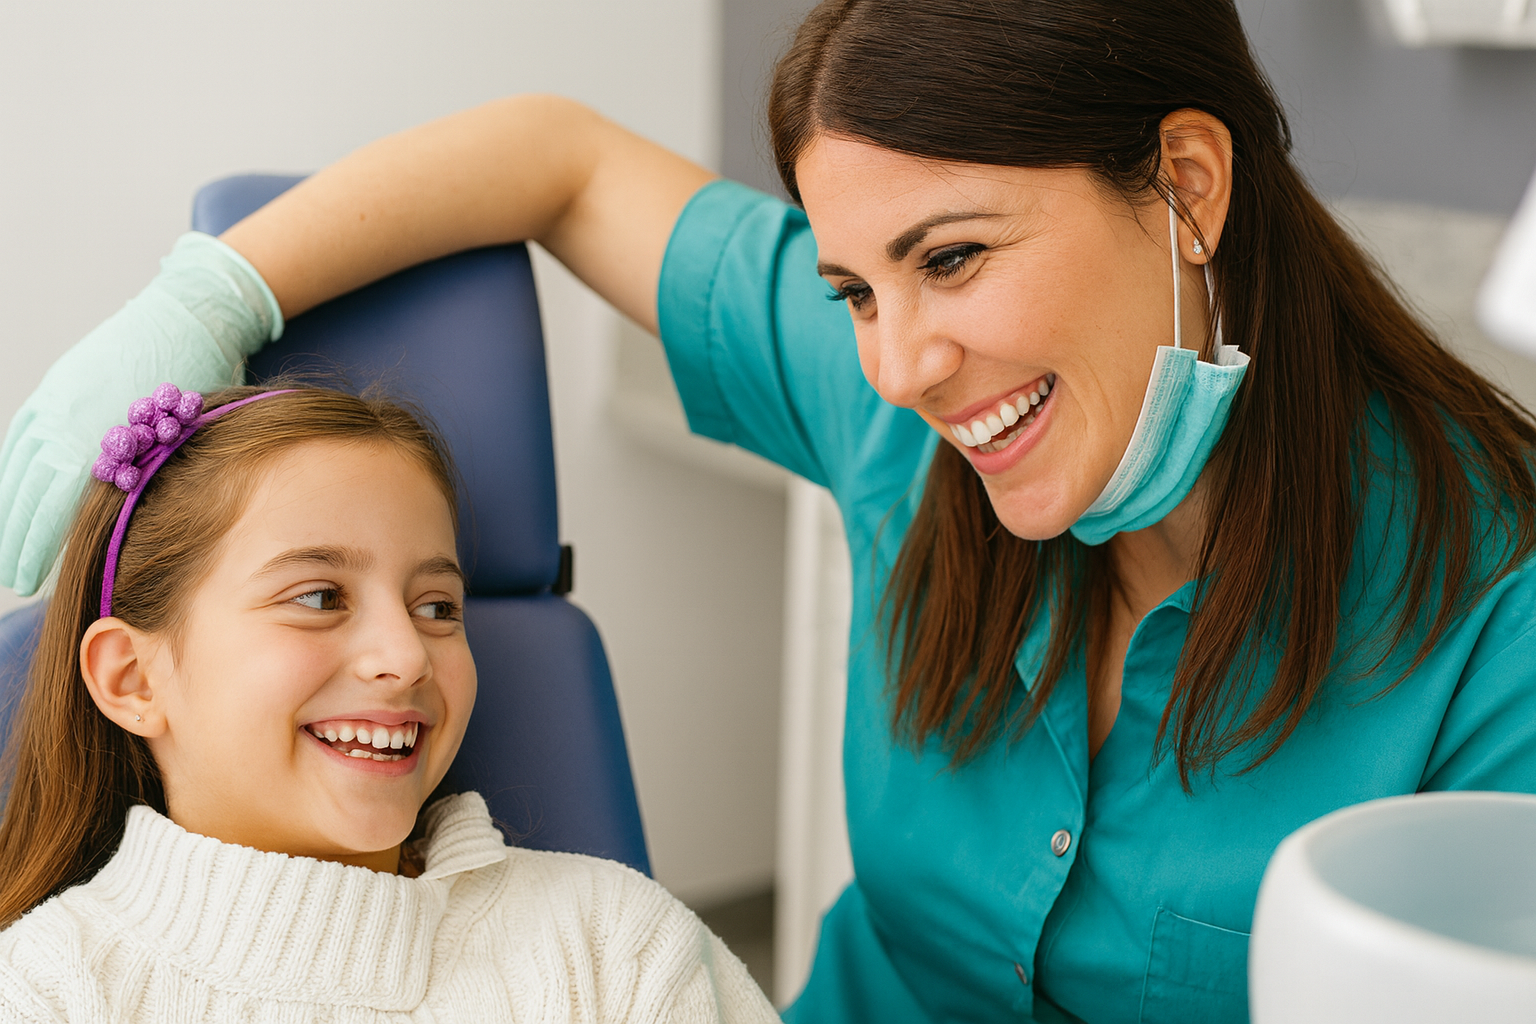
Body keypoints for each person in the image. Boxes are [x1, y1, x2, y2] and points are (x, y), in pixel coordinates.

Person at [4, 1, 1536, 1021]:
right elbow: (556, 158)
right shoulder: (913, 406)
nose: (904, 363)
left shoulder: (1493, 618)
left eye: (952, 259)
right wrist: (213, 296)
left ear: (1188, 188)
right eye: (852, 290)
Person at [0, 381, 778, 1023]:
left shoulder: (617, 948)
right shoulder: (46, 993)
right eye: (318, 596)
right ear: (133, 678)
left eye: (437, 607)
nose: (407, 657)